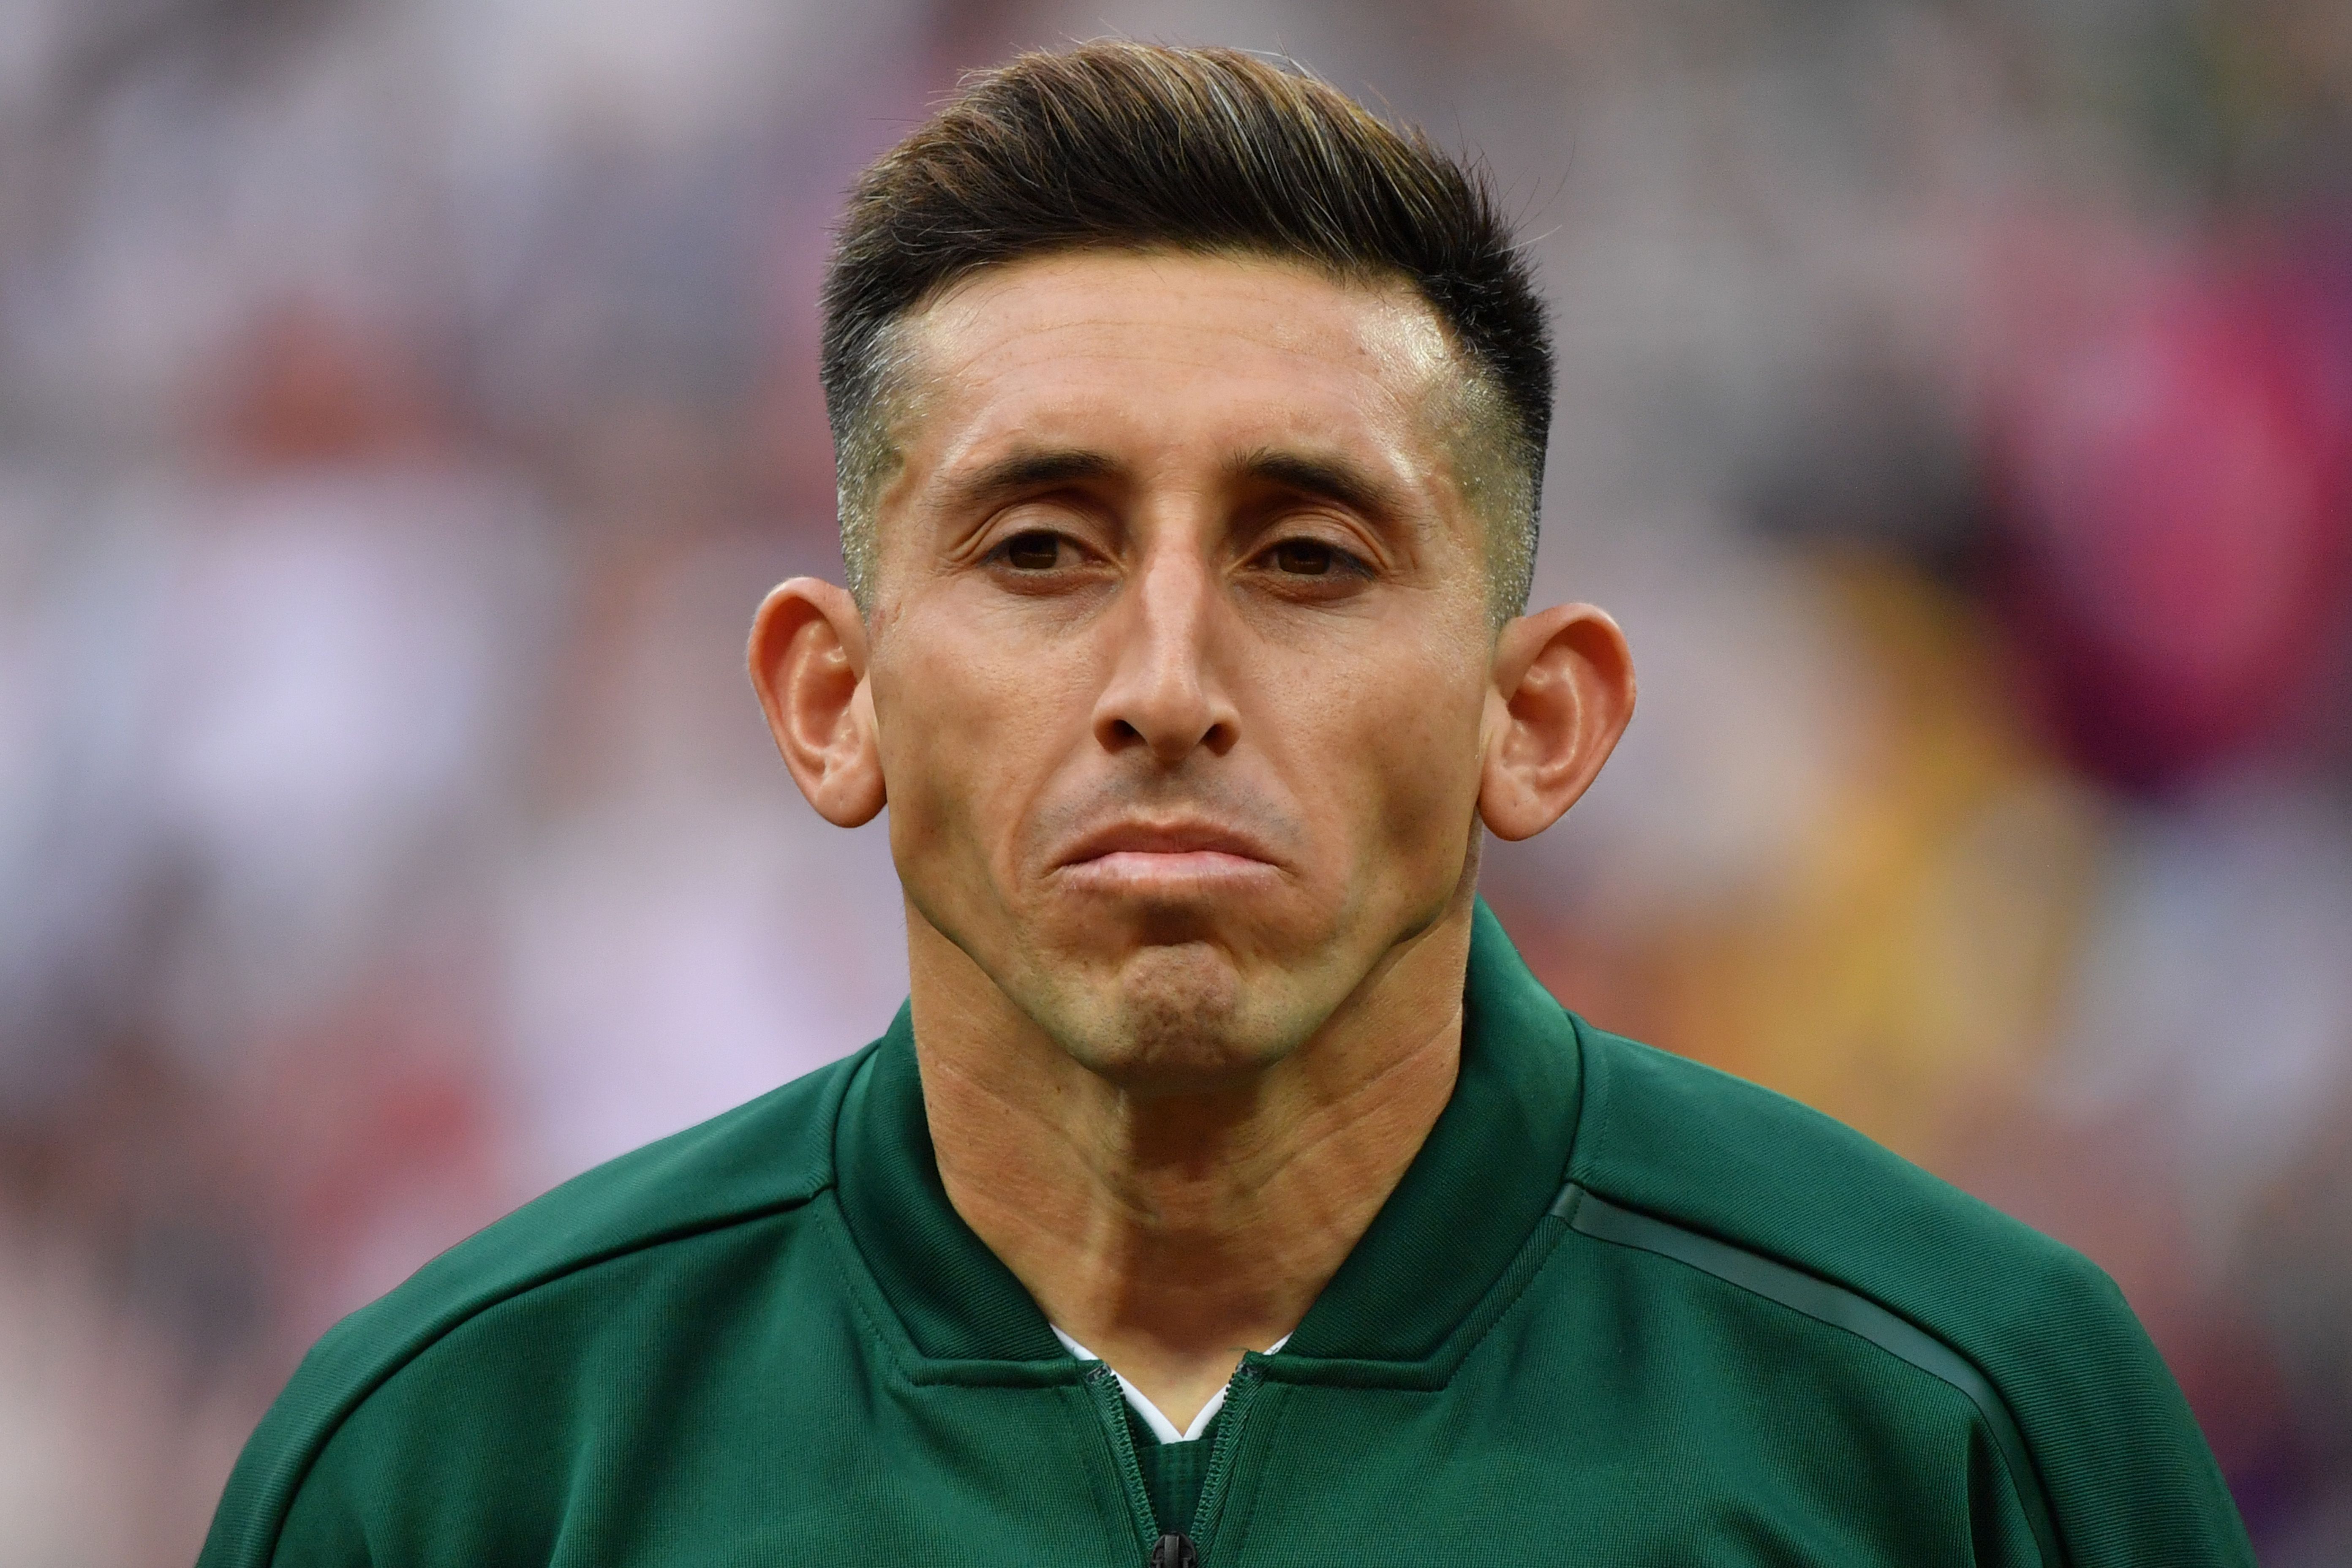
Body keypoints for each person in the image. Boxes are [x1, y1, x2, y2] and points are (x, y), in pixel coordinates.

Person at [198, 42, 2252, 1568]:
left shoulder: (1960, 1420)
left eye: (1309, 556)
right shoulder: (464, 1465)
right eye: (1038, 549)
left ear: (1536, 718)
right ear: (834, 702)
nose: (1169, 687)